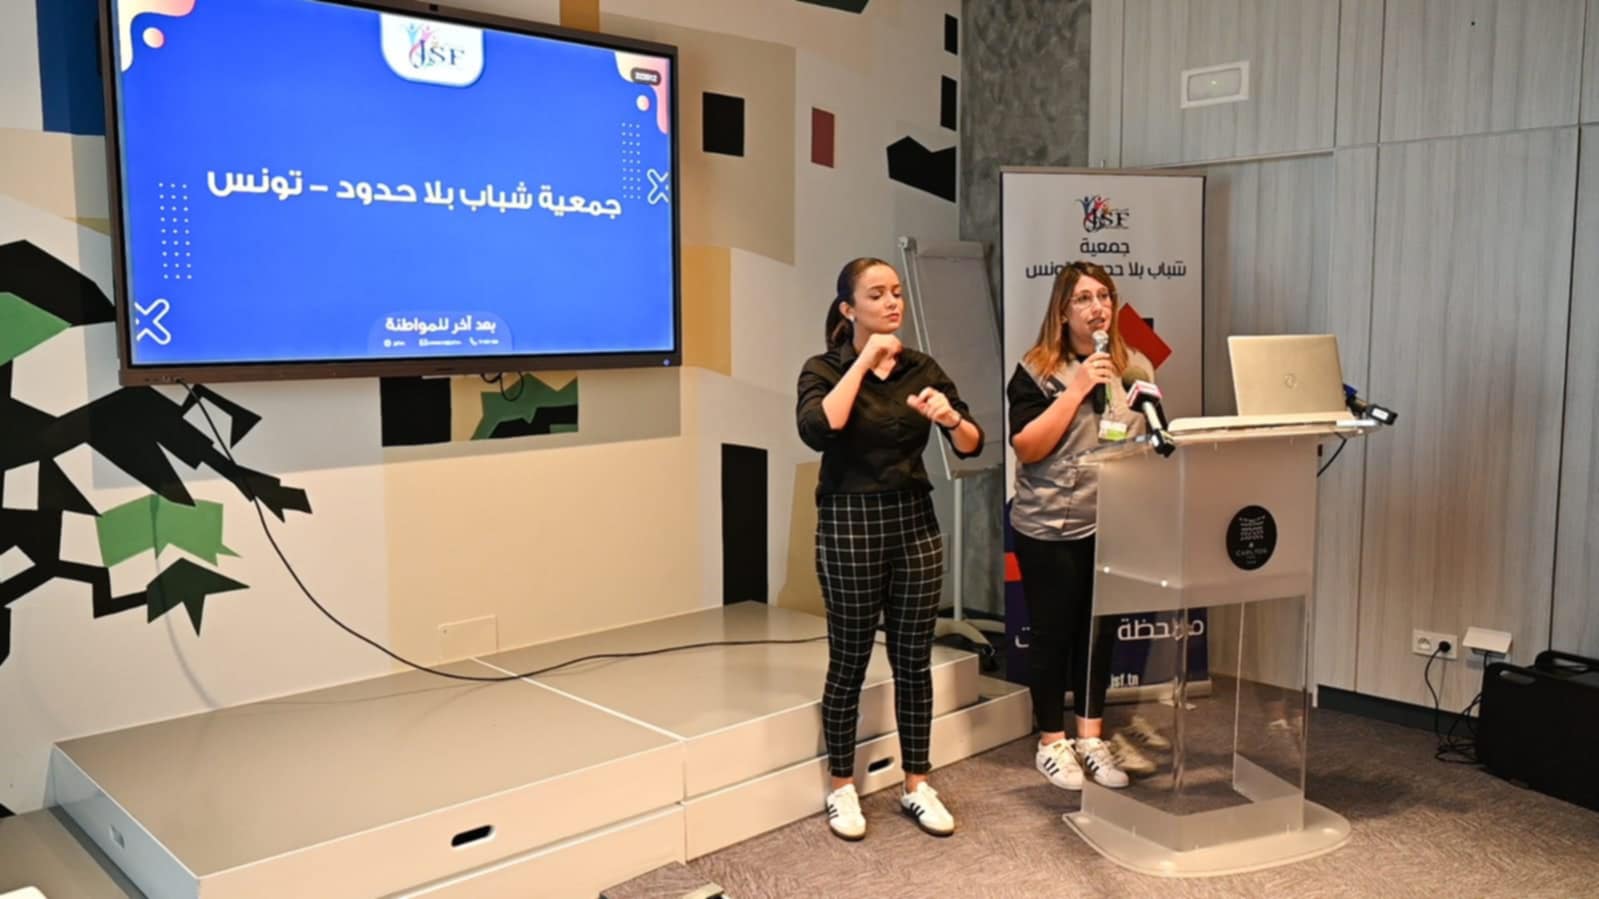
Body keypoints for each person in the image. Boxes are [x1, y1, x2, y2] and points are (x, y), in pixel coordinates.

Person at [795, 257, 985, 840]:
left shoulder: (921, 367)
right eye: (876, 295)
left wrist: (950, 419)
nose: (892, 302)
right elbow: (817, 429)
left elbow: (972, 443)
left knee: (912, 659)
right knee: (850, 658)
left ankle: (917, 783)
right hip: (850, 520)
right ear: (848, 308)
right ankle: (842, 786)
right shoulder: (824, 368)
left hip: (913, 521)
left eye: (896, 292)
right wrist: (863, 361)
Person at [1007, 260, 1159, 791]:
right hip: (1049, 522)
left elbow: (1150, 433)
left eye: (1105, 296)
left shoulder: (1134, 365)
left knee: (1099, 633)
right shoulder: (1035, 370)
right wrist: (1074, 391)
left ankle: (1091, 736)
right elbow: (1027, 447)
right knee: (1053, 634)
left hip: (1111, 522)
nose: (1098, 308)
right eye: (1084, 299)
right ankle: (1052, 741)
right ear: (1062, 311)